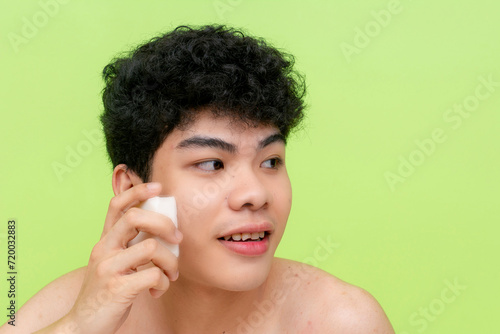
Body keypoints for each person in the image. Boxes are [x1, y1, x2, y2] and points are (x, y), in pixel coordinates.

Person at [2, 25, 394, 333]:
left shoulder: (341, 321)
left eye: (271, 161)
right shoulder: (60, 314)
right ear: (131, 189)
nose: (255, 194)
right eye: (211, 164)